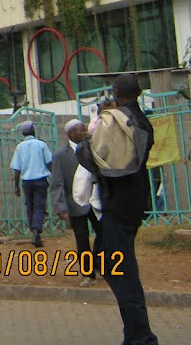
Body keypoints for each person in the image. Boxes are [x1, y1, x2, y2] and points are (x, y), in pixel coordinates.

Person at [95, 73, 158, 345]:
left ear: (116, 92)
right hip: (132, 203)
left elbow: (95, 158)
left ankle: (141, 336)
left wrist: (99, 123)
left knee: (122, 271)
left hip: (119, 206)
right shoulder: (142, 121)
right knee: (109, 262)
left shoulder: (118, 122)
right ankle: (133, 333)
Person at [51, 119, 99, 286]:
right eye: (80, 130)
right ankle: (88, 274)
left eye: (84, 129)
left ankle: (101, 263)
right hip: (75, 204)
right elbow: (57, 183)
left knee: (105, 233)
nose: (84, 132)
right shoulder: (60, 155)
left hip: (95, 201)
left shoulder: (92, 148)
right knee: (82, 239)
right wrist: (61, 207)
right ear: (70, 133)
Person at [10, 119, 53, 247]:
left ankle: (34, 231)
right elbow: (49, 162)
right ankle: (36, 231)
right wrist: (55, 178)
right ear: (33, 131)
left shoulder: (19, 147)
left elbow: (17, 169)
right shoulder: (41, 145)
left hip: (26, 182)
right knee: (40, 206)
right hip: (40, 180)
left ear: (23, 133)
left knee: (30, 206)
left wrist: (16, 186)